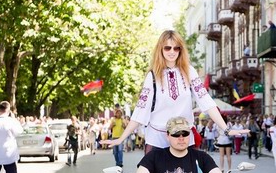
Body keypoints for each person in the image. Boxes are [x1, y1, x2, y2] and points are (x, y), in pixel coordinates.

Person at [101, 30, 247, 153]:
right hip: (157, 141)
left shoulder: (189, 71)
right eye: (167, 48)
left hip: (184, 140)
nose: (172, 52)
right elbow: (140, 111)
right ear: (160, 49)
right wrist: (121, 138)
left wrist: (226, 129)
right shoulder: (152, 76)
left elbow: (207, 102)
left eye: (176, 48)